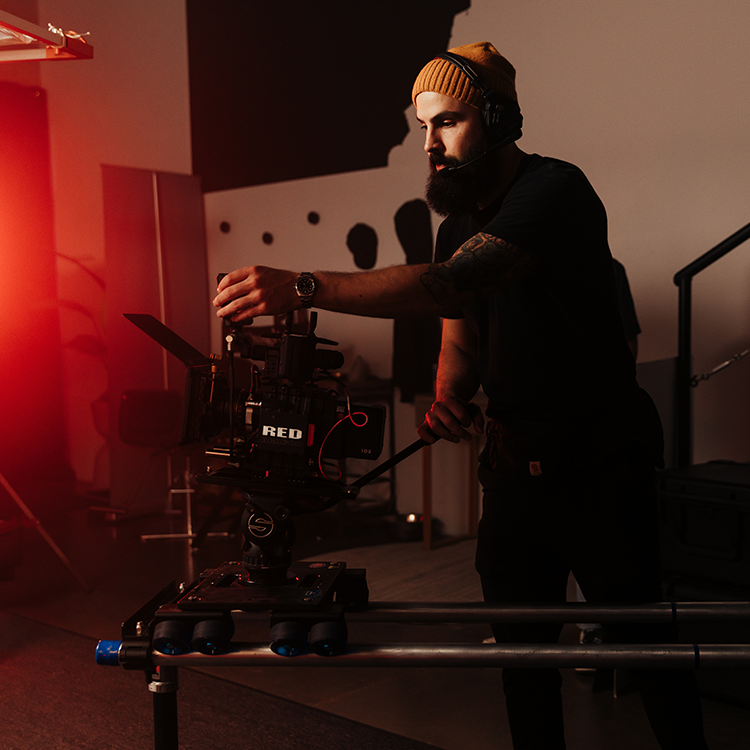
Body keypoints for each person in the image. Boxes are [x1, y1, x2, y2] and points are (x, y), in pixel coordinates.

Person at [213, 41, 708, 749]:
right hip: (512, 470)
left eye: (447, 121)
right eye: (423, 127)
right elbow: (460, 338)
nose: (430, 144)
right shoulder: (455, 225)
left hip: (599, 466)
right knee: (522, 662)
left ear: (498, 119)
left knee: (647, 648)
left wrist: (303, 285)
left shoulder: (555, 190)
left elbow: (450, 284)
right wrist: (449, 393)